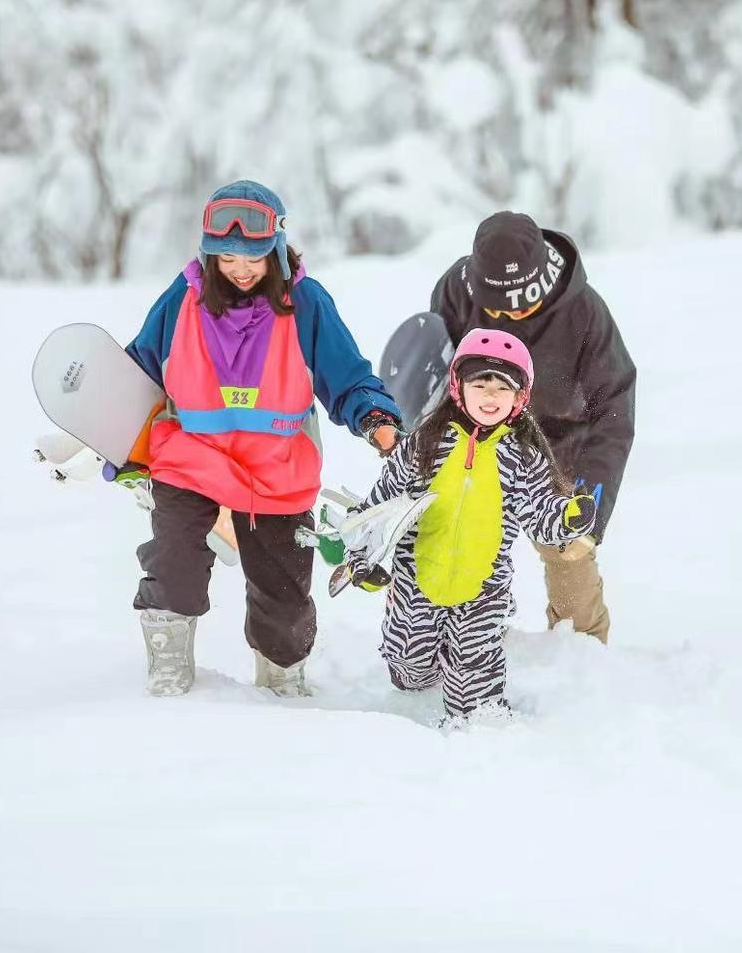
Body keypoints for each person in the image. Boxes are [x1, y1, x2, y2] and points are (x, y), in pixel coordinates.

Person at [123, 180, 401, 697]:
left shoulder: (306, 303)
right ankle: (168, 666)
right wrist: (113, 438)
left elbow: (347, 375)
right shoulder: (181, 301)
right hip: (191, 458)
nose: (241, 269)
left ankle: (281, 676)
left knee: (285, 599)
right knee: (173, 561)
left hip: (277, 469)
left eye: (252, 257)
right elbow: (139, 369)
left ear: (276, 247)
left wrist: (375, 418)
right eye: (225, 258)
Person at [344, 329, 595, 723]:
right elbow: (381, 502)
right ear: (459, 387)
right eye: (481, 383)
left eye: (503, 387)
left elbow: (539, 510)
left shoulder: (523, 457)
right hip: (417, 579)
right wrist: (362, 556)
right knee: (408, 669)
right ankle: (423, 659)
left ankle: (479, 723)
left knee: (473, 688)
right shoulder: (425, 443)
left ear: (520, 397)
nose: (491, 395)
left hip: (483, 587)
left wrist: (566, 518)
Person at [430, 212, 635, 643]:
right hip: (476, 444)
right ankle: (452, 647)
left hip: (560, 448)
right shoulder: (456, 290)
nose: (513, 314)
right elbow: (435, 376)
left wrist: (589, 512)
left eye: (523, 304)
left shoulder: (584, 312)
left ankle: (583, 660)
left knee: (571, 559)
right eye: (500, 308)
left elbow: (613, 408)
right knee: (448, 553)